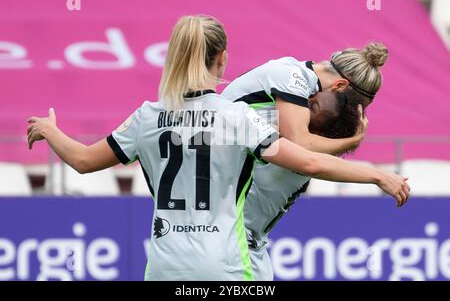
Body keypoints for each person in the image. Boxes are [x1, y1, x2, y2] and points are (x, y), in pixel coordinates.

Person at [27, 15, 409, 281]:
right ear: (223, 58)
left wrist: (51, 130)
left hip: (162, 266)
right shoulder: (237, 121)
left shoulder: (146, 117)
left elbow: (82, 160)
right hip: (225, 262)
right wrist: (377, 172)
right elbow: (307, 157)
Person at [245, 91, 362, 281]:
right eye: (310, 98)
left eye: (312, 107)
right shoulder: (292, 143)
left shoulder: (296, 153)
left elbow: (312, 161)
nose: (302, 105)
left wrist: (379, 176)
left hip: (243, 253)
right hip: (250, 250)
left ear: (321, 133)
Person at [221, 42, 388, 155]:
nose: (343, 111)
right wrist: (353, 141)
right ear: (339, 86)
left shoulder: (303, 78)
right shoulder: (294, 78)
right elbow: (300, 145)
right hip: (214, 150)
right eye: (345, 103)